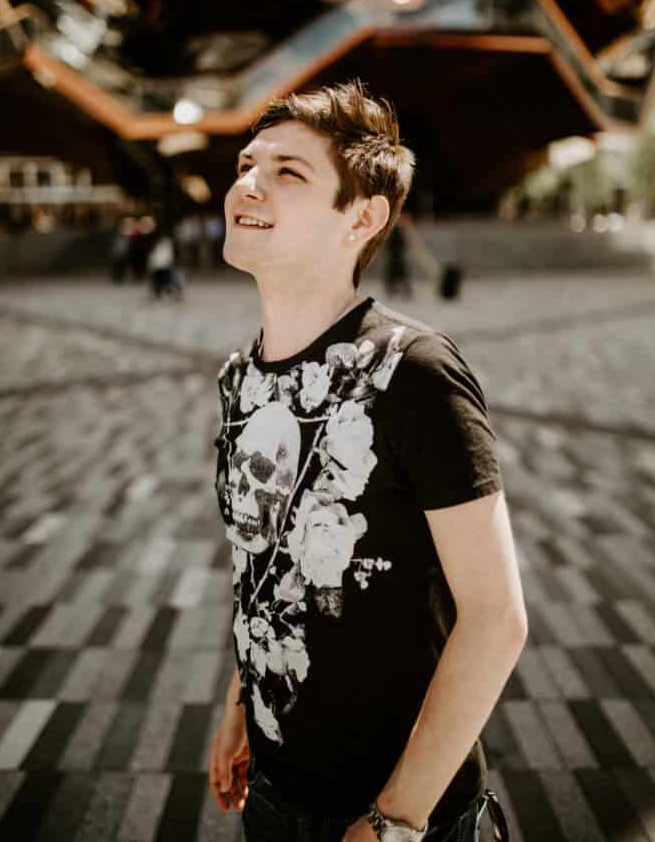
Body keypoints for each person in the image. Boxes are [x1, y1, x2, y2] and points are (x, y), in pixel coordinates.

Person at [209, 81, 526, 842]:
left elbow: (494, 617)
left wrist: (398, 817)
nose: (246, 183)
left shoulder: (411, 370)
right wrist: (238, 707)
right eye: (248, 163)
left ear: (362, 216)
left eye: (289, 173)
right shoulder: (241, 377)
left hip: (396, 811)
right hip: (276, 795)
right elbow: (267, 564)